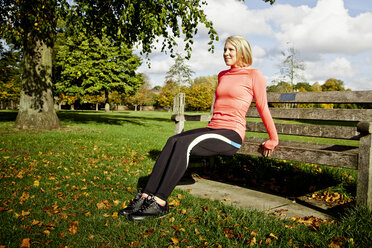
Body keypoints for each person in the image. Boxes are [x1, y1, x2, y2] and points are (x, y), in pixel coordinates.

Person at [119, 35, 279, 222]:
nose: (226, 53)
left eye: (230, 50)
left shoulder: (254, 75)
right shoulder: (223, 75)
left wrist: (273, 139)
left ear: (242, 52)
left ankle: (160, 202)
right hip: (213, 128)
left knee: (185, 144)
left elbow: (263, 107)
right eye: (224, 49)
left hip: (231, 134)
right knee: (173, 140)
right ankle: (146, 196)